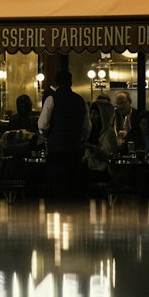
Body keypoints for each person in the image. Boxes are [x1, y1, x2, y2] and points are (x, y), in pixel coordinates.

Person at [38, 69, 91, 203]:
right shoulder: (80, 100)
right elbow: (86, 127)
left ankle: (57, 210)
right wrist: (80, 138)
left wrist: (47, 135)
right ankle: (72, 212)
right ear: (71, 83)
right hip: (74, 149)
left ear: (56, 83)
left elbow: (42, 124)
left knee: (56, 182)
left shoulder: (51, 98)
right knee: (72, 182)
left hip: (56, 149)